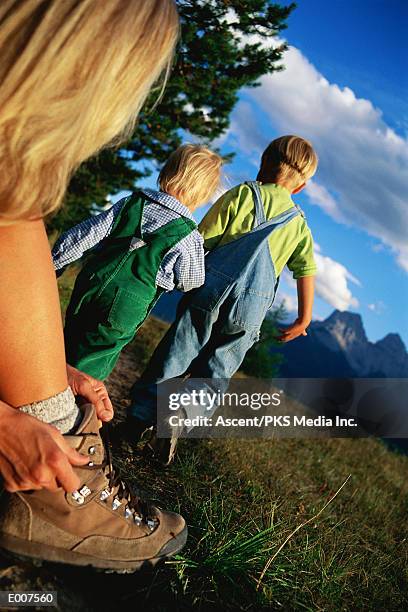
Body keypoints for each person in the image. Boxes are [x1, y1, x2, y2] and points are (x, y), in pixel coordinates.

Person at [0, 0, 188, 572]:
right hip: (131, 303)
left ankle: (57, 431)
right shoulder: (185, 231)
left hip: (95, 290)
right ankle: (58, 492)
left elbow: (82, 237)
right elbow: (194, 281)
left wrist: (47, 377)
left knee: (17, 207)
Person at [125, 135, 318, 464]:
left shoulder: (243, 194)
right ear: (300, 187)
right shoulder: (298, 225)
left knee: (175, 356)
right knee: (216, 375)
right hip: (250, 311)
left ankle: (139, 421)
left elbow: (202, 240)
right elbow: (306, 271)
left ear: (263, 164)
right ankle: (184, 414)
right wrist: (304, 318)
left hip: (209, 290)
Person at [53, 144, 223, 380]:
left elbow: (86, 233)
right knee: (95, 360)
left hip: (92, 281)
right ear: (203, 195)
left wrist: (55, 263)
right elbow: (191, 281)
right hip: (128, 304)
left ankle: (44, 382)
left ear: (167, 172)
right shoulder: (188, 235)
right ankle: (73, 404)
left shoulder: (132, 203)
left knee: (70, 338)